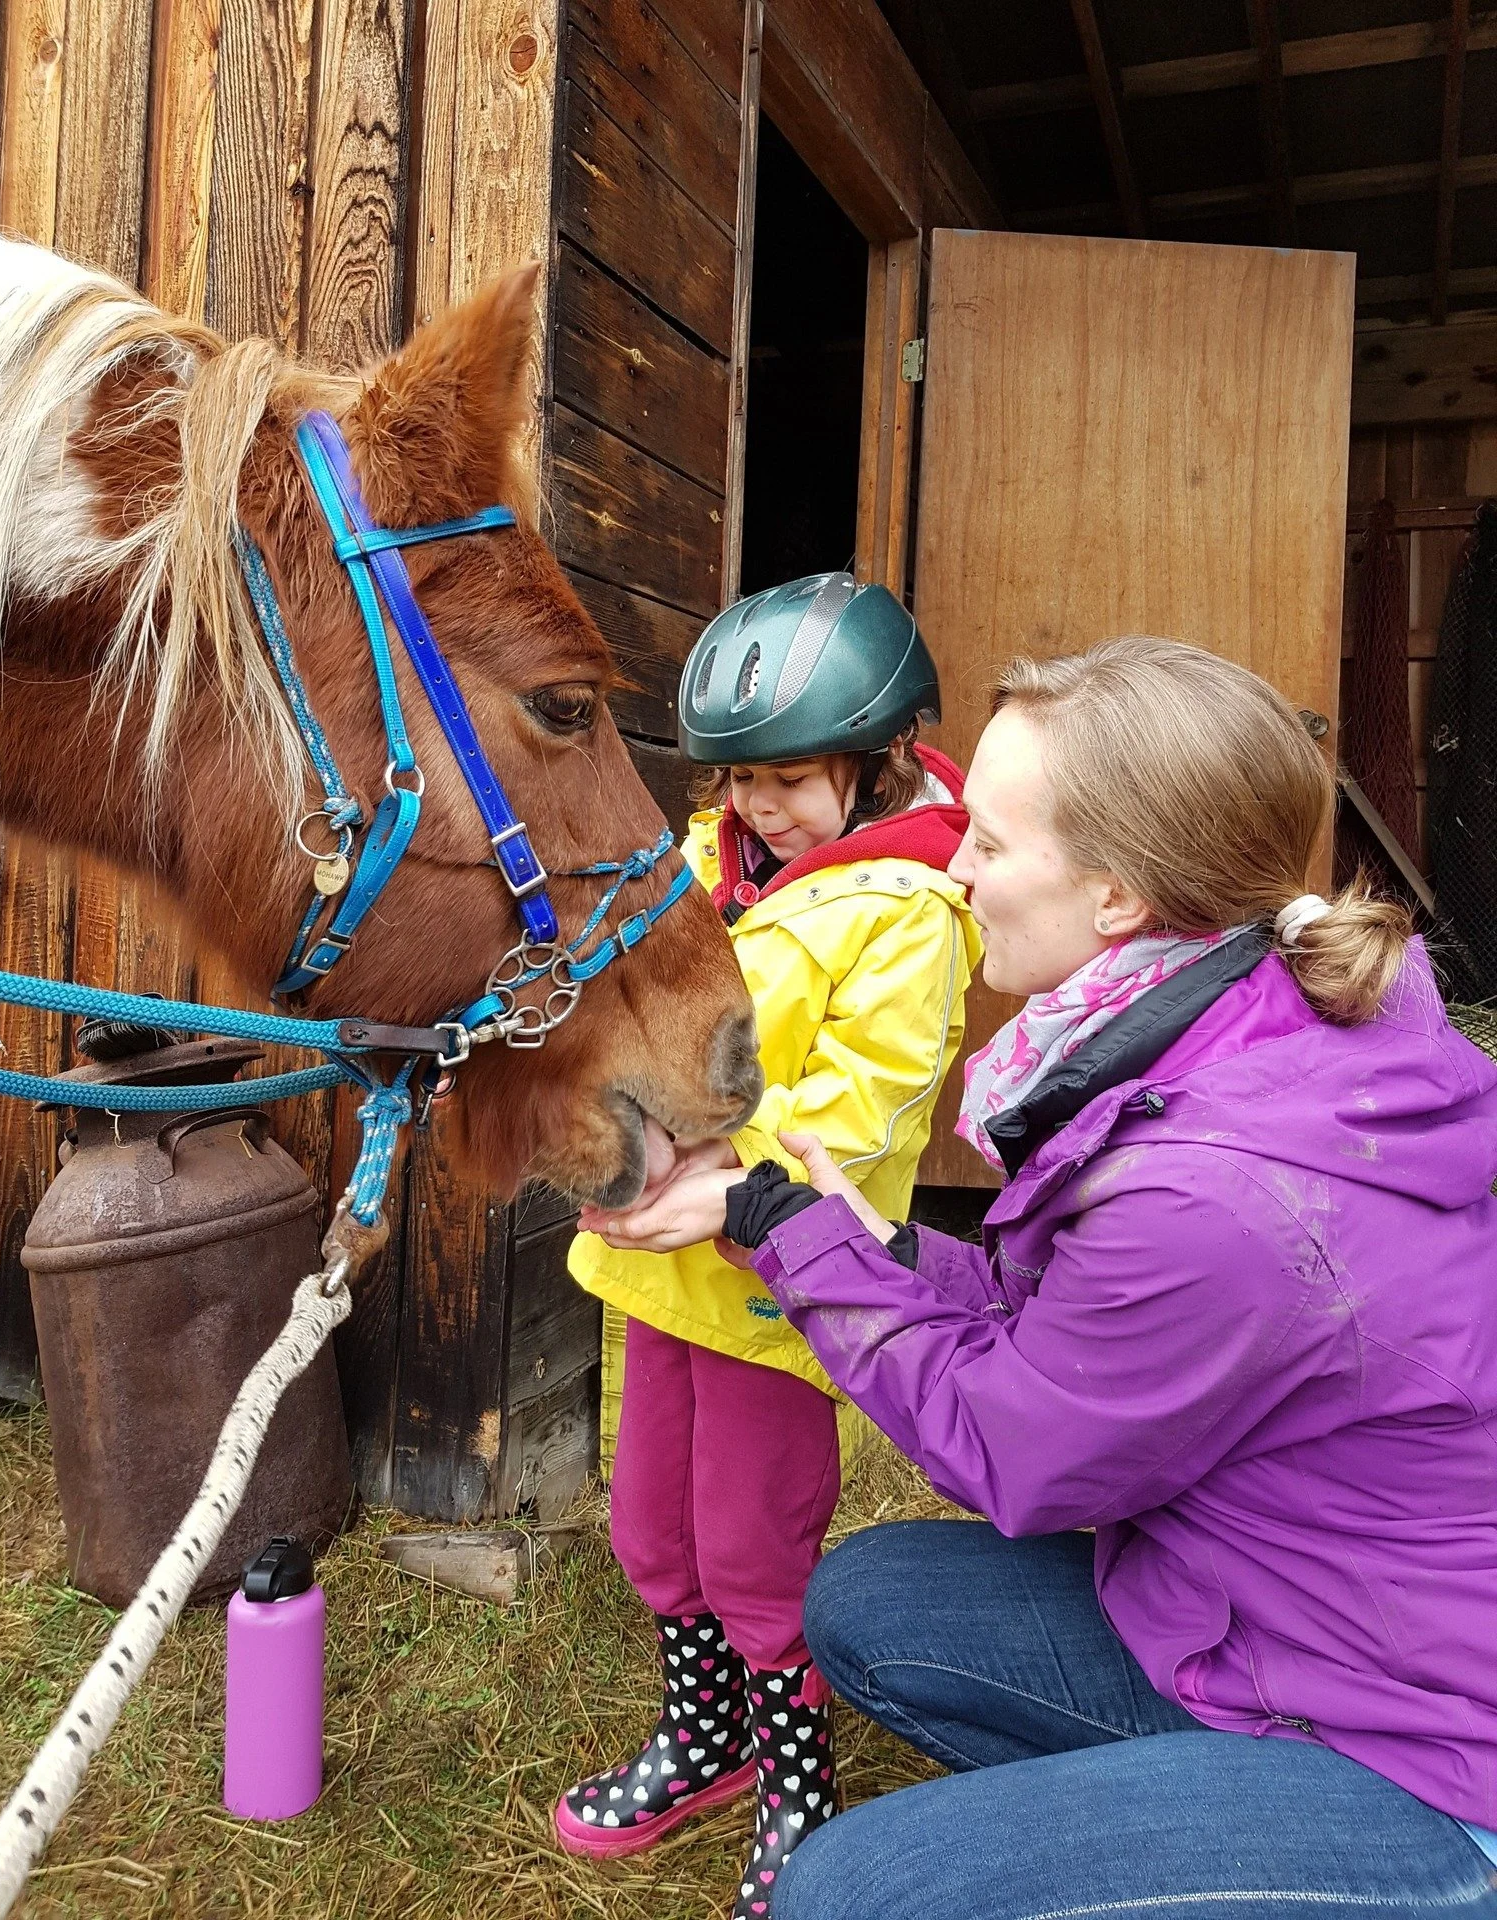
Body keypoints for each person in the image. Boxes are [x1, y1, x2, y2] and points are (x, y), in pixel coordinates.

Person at [587, 636, 1497, 1920]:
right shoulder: (1242, 1019)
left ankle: (1331, 1873)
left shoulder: (1213, 1190)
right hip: (1278, 1617)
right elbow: (1059, 1321)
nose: (954, 866)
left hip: (1421, 1751)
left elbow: (1017, 1447)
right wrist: (827, 1226)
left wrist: (785, 1223)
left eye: (992, 847)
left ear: (1118, 898)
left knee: (851, 1895)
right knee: (869, 1602)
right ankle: (1196, 1844)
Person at [553, 572, 981, 1917]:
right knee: (651, 1531)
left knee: (752, 1545)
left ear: (882, 756)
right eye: (742, 781)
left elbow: (857, 1116)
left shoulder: (912, 914)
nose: (758, 809)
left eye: (792, 780)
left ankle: (799, 1773)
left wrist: (694, 1157)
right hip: (647, 1267)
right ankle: (706, 1740)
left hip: (769, 1280)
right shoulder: (703, 866)